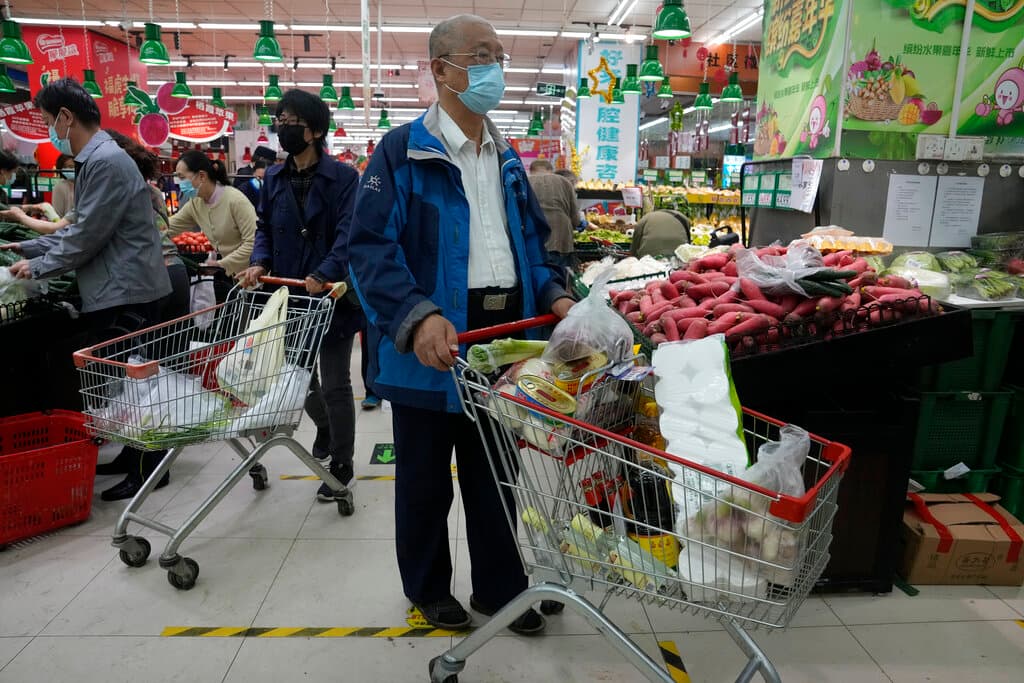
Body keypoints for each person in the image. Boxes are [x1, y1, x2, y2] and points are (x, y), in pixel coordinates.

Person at [348, 14, 574, 636]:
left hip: (504, 338)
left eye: (499, 55)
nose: (495, 68)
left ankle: (501, 588)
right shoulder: (401, 152)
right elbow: (368, 249)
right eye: (481, 55)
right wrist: (417, 317)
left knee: (497, 472)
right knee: (424, 479)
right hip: (431, 337)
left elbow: (530, 239)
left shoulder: (505, 155)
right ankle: (428, 589)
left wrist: (554, 292)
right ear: (441, 69)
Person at [0, 78, 171, 501]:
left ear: (66, 117)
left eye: (46, 122)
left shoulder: (106, 161)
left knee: (134, 382)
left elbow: (86, 237)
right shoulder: (97, 160)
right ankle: (135, 456)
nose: (48, 132)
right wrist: (27, 245)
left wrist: (37, 265)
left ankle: (152, 467)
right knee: (122, 381)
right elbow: (78, 228)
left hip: (127, 290)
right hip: (118, 286)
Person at [239, 89, 363, 499]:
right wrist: (260, 262)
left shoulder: (344, 179)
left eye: (289, 121)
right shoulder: (273, 177)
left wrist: (324, 272)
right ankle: (324, 427)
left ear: (314, 130)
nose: (281, 127)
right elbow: (264, 228)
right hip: (289, 296)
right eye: (279, 120)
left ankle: (342, 463)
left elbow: (349, 235)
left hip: (331, 296)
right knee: (299, 380)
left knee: (335, 383)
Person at [168, 150, 257, 302]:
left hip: (253, 280)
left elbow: (254, 242)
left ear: (202, 176)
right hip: (230, 281)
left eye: (182, 177)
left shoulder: (235, 201)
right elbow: (170, 226)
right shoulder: (196, 203)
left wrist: (220, 264)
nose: (179, 183)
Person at [527, 158, 578, 274]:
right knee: (558, 278)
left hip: (533, 240)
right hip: (560, 240)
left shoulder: (524, 181)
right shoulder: (564, 182)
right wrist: (579, 224)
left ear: (531, 170)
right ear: (551, 170)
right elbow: (575, 218)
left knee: (537, 278)